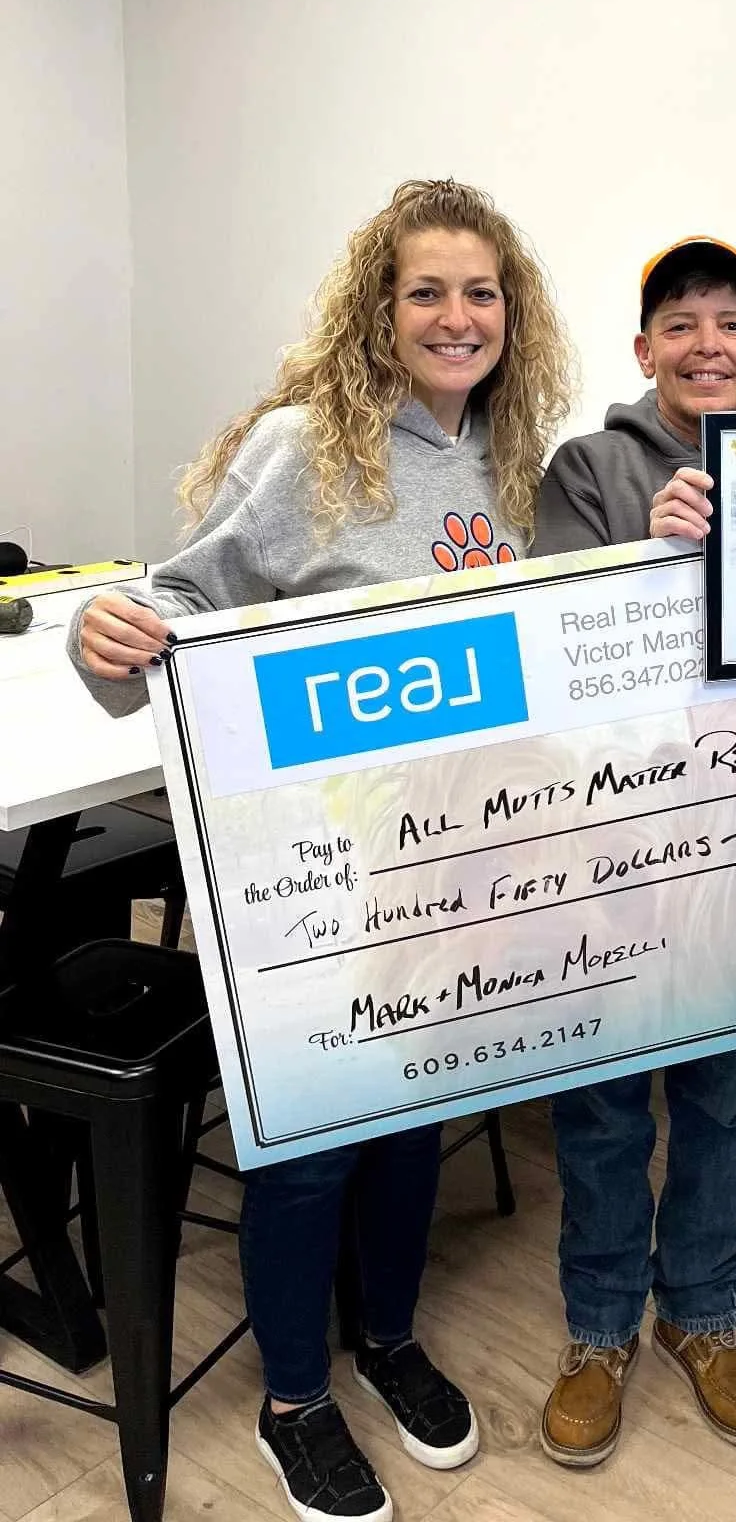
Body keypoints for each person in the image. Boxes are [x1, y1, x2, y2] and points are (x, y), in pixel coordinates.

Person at [71, 179, 574, 1522]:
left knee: (413, 1123)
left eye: (481, 292)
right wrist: (102, 639)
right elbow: (174, 611)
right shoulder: (308, 449)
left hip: (453, 866)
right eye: (428, 291)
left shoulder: (514, 457)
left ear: (509, 314)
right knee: (304, 1146)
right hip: (308, 873)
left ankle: (388, 1337)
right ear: (380, 309)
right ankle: (297, 1397)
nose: (457, 316)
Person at [530, 234, 736, 1469]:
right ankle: (597, 1328)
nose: (707, 345)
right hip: (617, 844)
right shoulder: (588, 469)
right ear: (644, 352)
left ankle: (704, 1313)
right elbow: (556, 652)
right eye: (680, 323)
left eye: (731, 322)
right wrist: (651, 553)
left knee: (731, 1096)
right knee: (605, 1106)